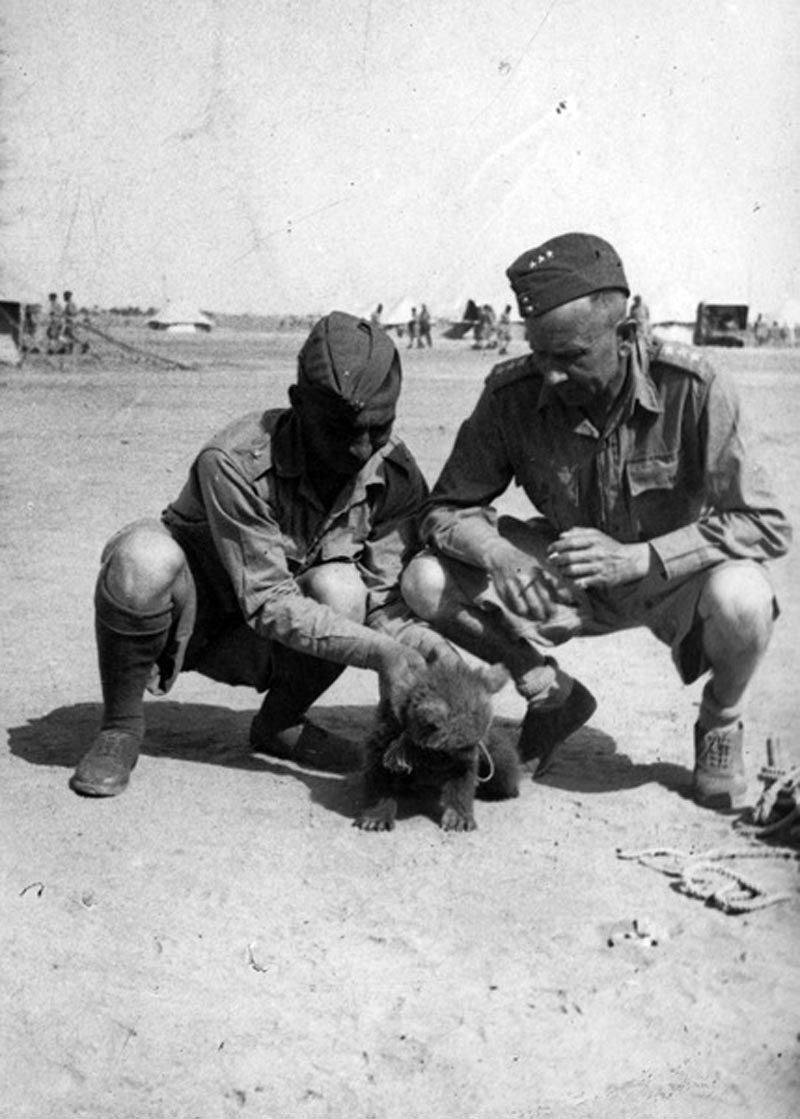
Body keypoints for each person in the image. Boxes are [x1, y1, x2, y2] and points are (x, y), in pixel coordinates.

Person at [401, 232, 791, 810]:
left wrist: (642, 557)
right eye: (540, 355)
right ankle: (551, 693)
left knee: (745, 600)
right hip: (567, 582)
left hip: (672, 585)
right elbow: (445, 510)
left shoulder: (695, 387)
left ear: (626, 334)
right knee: (425, 581)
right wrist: (501, 556)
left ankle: (719, 722)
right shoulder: (512, 395)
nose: (551, 375)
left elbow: (765, 522)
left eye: (570, 357)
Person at [70, 311, 454, 798]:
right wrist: (382, 654)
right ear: (297, 403)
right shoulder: (235, 459)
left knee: (344, 589)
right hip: (191, 624)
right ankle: (120, 727)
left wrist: (424, 646)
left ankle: (280, 723)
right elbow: (267, 599)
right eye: (340, 431)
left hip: (276, 638)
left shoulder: (394, 473)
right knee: (141, 559)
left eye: (378, 429)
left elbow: (382, 602)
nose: (361, 450)